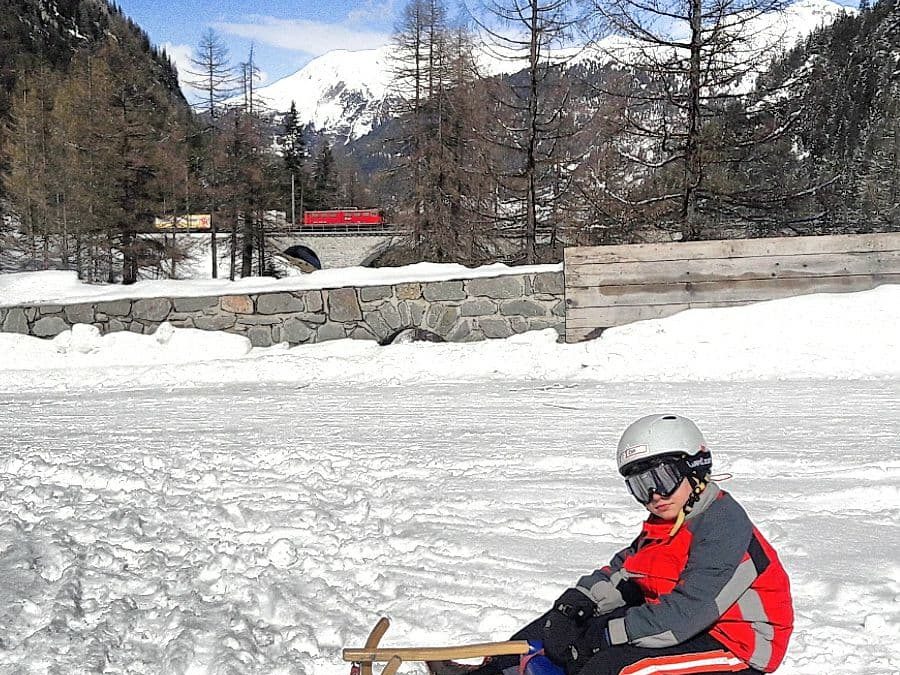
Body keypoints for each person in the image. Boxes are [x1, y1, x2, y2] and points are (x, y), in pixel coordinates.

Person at [429, 414, 793, 675]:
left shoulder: (724, 528)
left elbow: (685, 616)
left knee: (610, 665)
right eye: (639, 485)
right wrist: (575, 607)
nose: (653, 494)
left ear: (694, 469)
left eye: (663, 478)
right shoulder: (670, 519)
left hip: (736, 645)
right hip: (681, 621)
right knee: (547, 631)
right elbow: (628, 569)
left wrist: (602, 636)